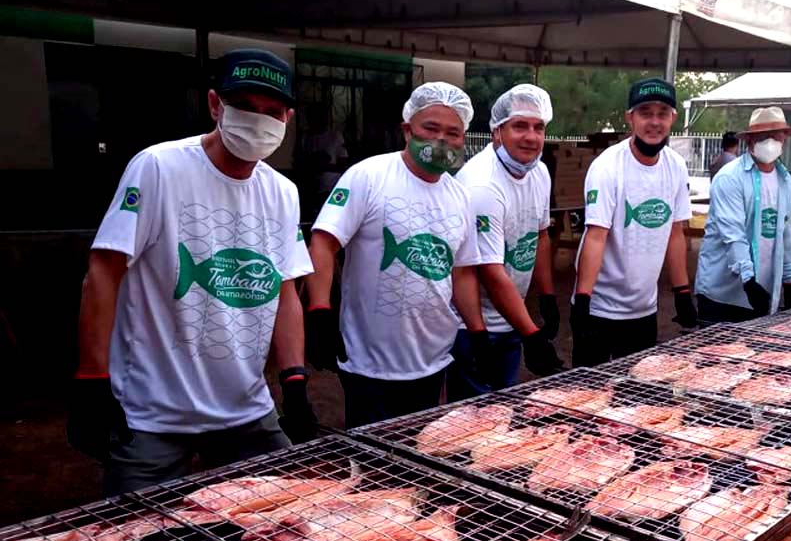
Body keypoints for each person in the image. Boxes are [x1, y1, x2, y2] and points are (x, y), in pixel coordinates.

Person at [70, 49, 316, 496]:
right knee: (135, 529)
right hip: (155, 414)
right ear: (215, 104)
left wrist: (294, 379)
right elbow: (103, 272)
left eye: (272, 111)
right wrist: (92, 379)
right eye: (244, 105)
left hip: (245, 410)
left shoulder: (283, 192)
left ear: (288, 118)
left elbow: (284, 291)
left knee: (285, 520)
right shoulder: (159, 168)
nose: (258, 120)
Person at [305, 82, 486, 428]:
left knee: (416, 446)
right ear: (407, 130)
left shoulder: (460, 196)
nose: (441, 140)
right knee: (371, 454)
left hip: (433, 357)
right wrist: (319, 310)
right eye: (430, 128)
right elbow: (324, 242)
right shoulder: (368, 176)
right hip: (370, 363)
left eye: (453, 133)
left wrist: (477, 332)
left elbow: (462, 271)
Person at [446, 84, 564, 402]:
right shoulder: (483, 185)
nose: (531, 137)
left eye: (538, 127)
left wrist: (547, 297)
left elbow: (540, 236)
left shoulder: (539, 172)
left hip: (510, 318)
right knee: (472, 416)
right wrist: (532, 335)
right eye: (520, 126)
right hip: (472, 326)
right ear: (497, 132)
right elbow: (489, 271)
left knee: (504, 408)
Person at [570, 78, 696, 368]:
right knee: (589, 391)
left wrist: (682, 292)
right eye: (645, 113)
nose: (654, 122)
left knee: (635, 391)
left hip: (643, 310)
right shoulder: (607, 166)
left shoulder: (676, 166)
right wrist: (583, 300)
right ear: (630, 118)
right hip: (600, 308)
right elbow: (596, 236)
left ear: (673, 118)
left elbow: (675, 232)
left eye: (662, 113)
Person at [695, 106, 791, 323]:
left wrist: (790, 281)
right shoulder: (730, 178)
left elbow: (785, 233)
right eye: (764, 136)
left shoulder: (785, 180)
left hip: (762, 294)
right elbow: (733, 234)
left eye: (776, 136)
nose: (771, 142)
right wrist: (748, 280)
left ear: (785, 138)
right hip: (724, 295)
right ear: (750, 140)